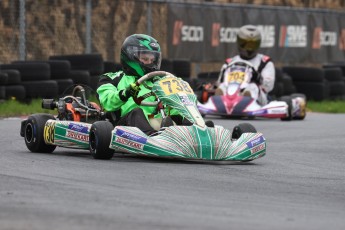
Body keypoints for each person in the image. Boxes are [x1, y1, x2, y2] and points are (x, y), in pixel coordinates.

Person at [97, 34, 184, 135]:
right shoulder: (111, 79)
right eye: (145, 59)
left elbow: (172, 109)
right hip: (126, 127)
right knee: (136, 112)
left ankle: (197, 135)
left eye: (152, 60)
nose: (150, 63)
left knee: (180, 114)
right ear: (130, 56)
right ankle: (154, 140)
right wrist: (126, 93)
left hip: (158, 123)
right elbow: (107, 103)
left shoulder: (159, 81)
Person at [216, 24, 275, 105]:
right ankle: (219, 100)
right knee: (222, 86)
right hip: (232, 92)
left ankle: (246, 99)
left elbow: (268, 87)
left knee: (252, 87)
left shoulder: (265, 62)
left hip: (258, 99)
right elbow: (219, 82)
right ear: (239, 43)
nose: (249, 48)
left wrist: (258, 78)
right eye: (245, 44)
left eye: (253, 44)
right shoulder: (230, 62)